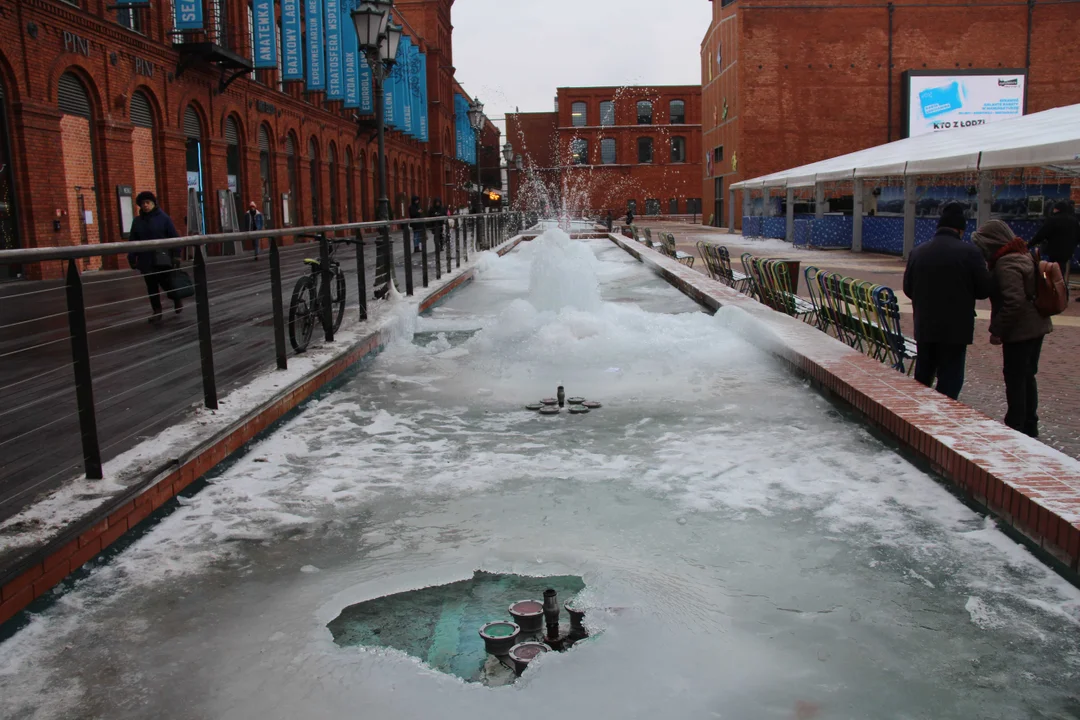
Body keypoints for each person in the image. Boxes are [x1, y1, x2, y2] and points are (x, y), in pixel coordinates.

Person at [902, 202, 992, 400]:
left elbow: (908, 288)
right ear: (960, 229)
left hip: (925, 325)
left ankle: (917, 416)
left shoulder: (918, 252)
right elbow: (984, 290)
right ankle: (942, 417)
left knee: (923, 375)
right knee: (950, 379)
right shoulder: (970, 253)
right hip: (956, 329)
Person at [972, 220, 1053, 437]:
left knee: (1015, 377)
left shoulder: (1006, 263)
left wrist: (997, 329)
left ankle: (1016, 426)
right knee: (1027, 375)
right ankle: (1029, 423)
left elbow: (1014, 301)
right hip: (1037, 325)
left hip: (1021, 330)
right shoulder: (1022, 254)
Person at [127, 191, 182, 323]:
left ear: (153, 203)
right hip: (146, 259)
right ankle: (157, 311)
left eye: (148, 202)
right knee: (151, 286)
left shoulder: (164, 218)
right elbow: (133, 240)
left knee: (166, 282)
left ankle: (176, 298)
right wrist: (131, 257)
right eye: (143, 203)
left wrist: (176, 255)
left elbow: (174, 237)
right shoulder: (137, 221)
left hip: (162, 258)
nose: (145, 205)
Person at [1027, 200, 1080, 296]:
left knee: (1051, 272)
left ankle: (1057, 294)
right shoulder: (1074, 221)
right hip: (1067, 251)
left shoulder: (1053, 220)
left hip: (1054, 250)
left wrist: (1029, 245)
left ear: (1057, 209)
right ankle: (1062, 293)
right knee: (1060, 271)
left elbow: (1041, 235)